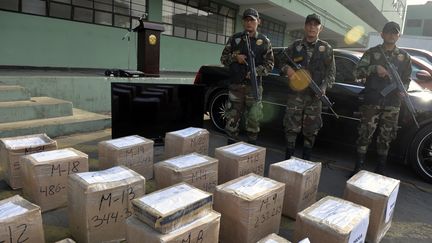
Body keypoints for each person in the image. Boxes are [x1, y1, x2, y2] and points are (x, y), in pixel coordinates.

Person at [352, 21, 412, 175]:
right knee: (365, 134)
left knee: (386, 137)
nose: (391, 35)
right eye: (388, 32)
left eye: (395, 32)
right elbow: (357, 72)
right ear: (382, 34)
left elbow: (407, 79)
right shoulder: (372, 53)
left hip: (393, 103)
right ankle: (357, 168)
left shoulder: (404, 57)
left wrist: (403, 90)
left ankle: (380, 170)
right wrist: (374, 68)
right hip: (372, 100)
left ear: (399, 35)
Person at [278, 13, 335, 160]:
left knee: (311, 131)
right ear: (305, 26)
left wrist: (323, 87)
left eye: (315, 24)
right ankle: (287, 161)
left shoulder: (326, 48)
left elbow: (331, 74)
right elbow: (279, 61)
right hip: (295, 97)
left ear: (320, 28)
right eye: (309, 24)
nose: (312, 27)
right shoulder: (295, 46)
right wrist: (288, 70)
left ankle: (305, 163)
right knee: (291, 129)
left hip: (314, 99)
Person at [220, 8, 274, 145]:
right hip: (236, 87)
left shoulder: (264, 41)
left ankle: (251, 156)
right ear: (243, 22)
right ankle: (229, 153)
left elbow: (270, 65)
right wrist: (235, 57)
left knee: (253, 122)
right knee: (232, 121)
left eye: (252, 20)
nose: (249, 23)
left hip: (253, 88)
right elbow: (223, 59)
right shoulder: (235, 39)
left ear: (258, 22)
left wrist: (256, 71)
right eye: (247, 20)